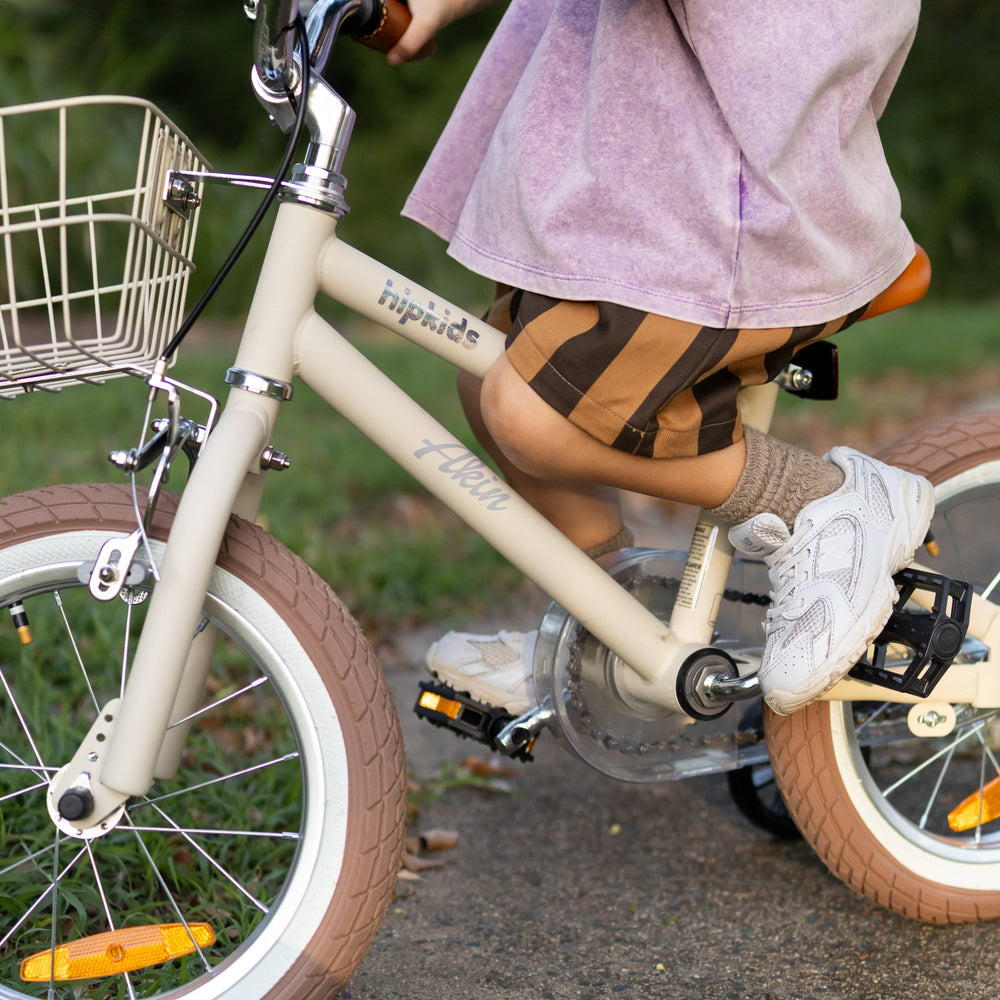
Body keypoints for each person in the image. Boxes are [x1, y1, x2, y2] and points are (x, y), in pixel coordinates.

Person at [387, 0, 933, 716]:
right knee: (489, 372)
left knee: (532, 413)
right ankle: (612, 627)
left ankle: (824, 504)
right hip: (637, 190)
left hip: (721, 204)